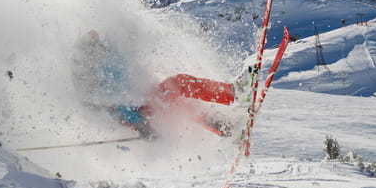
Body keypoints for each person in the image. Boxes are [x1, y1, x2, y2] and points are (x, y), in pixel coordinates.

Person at [72, 29, 252, 139]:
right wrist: (142, 126)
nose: (101, 47)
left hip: (143, 109)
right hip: (142, 115)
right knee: (179, 83)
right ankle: (234, 93)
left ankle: (227, 129)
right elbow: (116, 105)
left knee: (184, 105)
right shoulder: (96, 80)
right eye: (95, 46)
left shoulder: (105, 65)